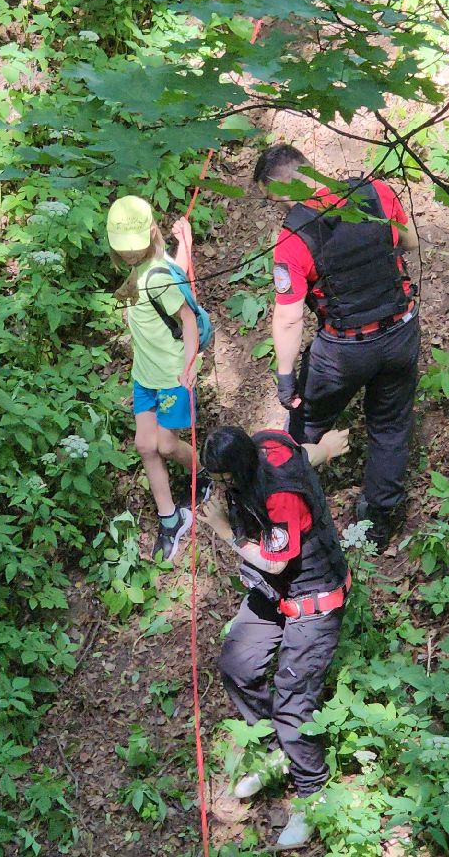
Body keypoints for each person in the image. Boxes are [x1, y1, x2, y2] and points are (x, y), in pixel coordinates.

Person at [256, 144, 423, 549]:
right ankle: (379, 522)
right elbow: (410, 242)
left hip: (345, 348)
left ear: (282, 191)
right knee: (390, 425)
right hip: (400, 330)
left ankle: (285, 513)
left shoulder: (294, 238)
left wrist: (285, 377)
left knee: (304, 424)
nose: (276, 209)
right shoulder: (375, 192)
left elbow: (290, 316)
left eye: (272, 200)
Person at [199, 423, 353, 850]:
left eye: (219, 479)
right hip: (273, 595)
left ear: (239, 467)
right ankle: (275, 751)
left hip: (313, 597)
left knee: (293, 700)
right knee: (237, 663)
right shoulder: (262, 446)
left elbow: (274, 563)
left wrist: (223, 529)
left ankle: (312, 795)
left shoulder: (279, 494)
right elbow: (303, 454)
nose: (216, 486)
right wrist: (323, 448)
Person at [106, 194, 202, 561]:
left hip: (170, 377)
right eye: (124, 250)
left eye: (135, 248)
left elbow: (187, 317)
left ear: (151, 234)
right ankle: (170, 517)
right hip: (143, 377)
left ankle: (207, 471)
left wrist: (190, 364)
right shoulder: (148, 266)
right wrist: (186, 247)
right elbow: (174, 270)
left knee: (164, 445)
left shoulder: (156, 275)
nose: (130, 255)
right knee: (146, 446)